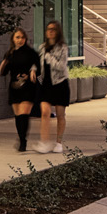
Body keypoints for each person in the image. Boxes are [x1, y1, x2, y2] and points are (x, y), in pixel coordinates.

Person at [37, 19, 73, 154]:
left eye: (53, 29)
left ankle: (58, 142)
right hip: (46, 84)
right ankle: (44, 141)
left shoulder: (63, 47)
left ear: (58, 32)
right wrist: (33, 69)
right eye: (48, 29)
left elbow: (61, 66)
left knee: (60, 115)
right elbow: (39, 63)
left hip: (59, 83)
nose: (50, 31)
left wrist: (49, 57)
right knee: (44, 112)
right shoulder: (42, 47)